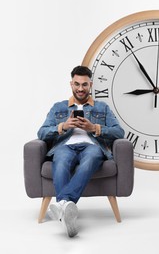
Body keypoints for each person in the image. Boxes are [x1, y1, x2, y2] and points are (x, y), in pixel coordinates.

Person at [37, 65, 125, 237]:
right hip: (65, 146)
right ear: (71, 84)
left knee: (90, 159)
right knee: (60, 161)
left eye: (84, 84)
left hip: (92, 147)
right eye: (77, 84)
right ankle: (67, 213)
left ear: (90, 85)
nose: (80, 88)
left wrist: (95, 128)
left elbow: (119, 132)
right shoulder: (59, 107)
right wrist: (63, 126)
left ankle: (63, 203)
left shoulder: (102, 107)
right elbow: (41, 132)